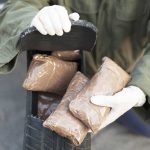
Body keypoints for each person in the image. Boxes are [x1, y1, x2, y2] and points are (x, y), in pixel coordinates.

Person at [0, 0, 150, 135]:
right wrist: (32, 17)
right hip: (63, 74)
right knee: (55, 132)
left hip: (124, 82)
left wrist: (139, 91)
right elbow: (16, 6)